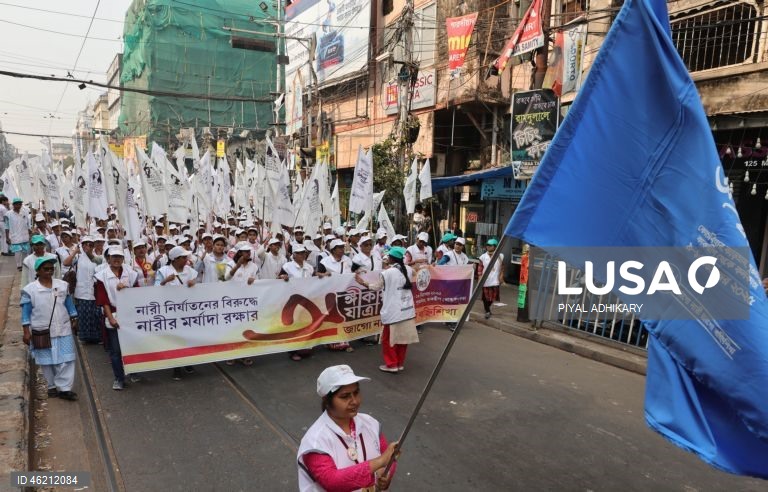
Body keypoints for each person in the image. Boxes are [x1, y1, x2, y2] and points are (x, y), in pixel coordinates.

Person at [297, 365, 398, 492]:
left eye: (356, 393)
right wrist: (380, 462)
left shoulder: (370, 423)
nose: (354, 401)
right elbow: (332, 482)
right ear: (326, 399)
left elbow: (388, 456)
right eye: (345, 396)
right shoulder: (315, 441)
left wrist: (386, 473)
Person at [21, 256, 79, 400]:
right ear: (38, 271)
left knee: (67, 359)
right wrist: (26, 331)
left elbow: (68, 303)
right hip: (42, 330)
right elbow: (25, 313)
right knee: (46, 361)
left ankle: (65, 389)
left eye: (51, 268)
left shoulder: (62, 285)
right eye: (45, 269)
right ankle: (51, 386)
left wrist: (74, 317)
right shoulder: (29, 290)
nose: (49, 271)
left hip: (63, 328)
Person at [356, 247, 418, 373]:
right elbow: (416, 272)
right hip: (407, 310)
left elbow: (376, 287)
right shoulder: (409, 269)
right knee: (402, 338)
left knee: (388, 339)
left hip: (393, 311)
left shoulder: (387, 273)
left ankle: (392, 364)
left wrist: (363, 283)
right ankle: (399, 363)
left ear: (391, 258)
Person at [94, 248, 139, 391]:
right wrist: (111, 317)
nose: (117, 259)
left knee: (132, 346)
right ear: (108, 259)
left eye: (119, 256)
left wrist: (126, 289)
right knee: (115, 350)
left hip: (130, 313)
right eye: (114, 257)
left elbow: (137, 292)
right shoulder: (101, 276)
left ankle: (133, 371)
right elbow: (103, 299)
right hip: (113, 313)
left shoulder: (131, 274)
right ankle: (119, 378)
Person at [155, 246, 199, 379]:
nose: (186, 259)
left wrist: (193, 284)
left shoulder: (190, 271)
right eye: (184, 257)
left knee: (188, 337)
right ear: (175, 259)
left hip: (187, 311)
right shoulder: (163, 271)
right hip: (171, 312)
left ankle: (188, 362)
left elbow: (197, 288)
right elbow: (155, 290)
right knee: (175, 340)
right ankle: (176, 367)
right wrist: (165, 281)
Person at [279, 245, 315, 362]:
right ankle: (293, 351)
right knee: (294, 326)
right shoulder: (287, 266)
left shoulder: (309, 267)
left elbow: (314, 281)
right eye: (299, 253)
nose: (301, 255)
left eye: (303, 253)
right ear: (293, 255)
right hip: (292, 300)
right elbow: (278, 278)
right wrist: (282, 277)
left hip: (307, 300)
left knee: (306, 323)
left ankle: (305, 347)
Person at [318, 239, 354, 352]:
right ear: (333, 250)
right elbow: (317, 274)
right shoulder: (325, 262)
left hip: (345, 293)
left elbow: (352, 273)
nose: (342, 250)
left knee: (344, 316)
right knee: (332, 318)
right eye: (339, 248)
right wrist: (323, 274)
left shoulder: (348, 260)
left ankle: (345, 341)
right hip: (330, 294)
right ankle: (331, 341)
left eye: (342, 247)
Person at [478, 238, 505, 319]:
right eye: (487, 245)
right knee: (485, 297)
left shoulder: (500, 256)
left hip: (495, 280)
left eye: (490, 245)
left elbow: (502, 267)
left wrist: (501, 276)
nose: (488, 247)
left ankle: (487, 308)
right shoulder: (483, 257)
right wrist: (479, 279)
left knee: (493, 297)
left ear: (495, 246)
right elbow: (480, 269)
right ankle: (487, 311)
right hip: (485, 280)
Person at [6, 198, 30, 271]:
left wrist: (29, 230)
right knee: (17, 251)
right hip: (14, 235)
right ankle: (19, 265)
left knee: (25, 251)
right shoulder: (8, 214)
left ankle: (25, 264)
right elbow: (6, 226)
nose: (18, 205)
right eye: (16, 204)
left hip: (24, 234)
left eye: (19, 204)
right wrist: (7, 237)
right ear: (13, 205)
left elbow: (28, 223)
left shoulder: (25, 212)